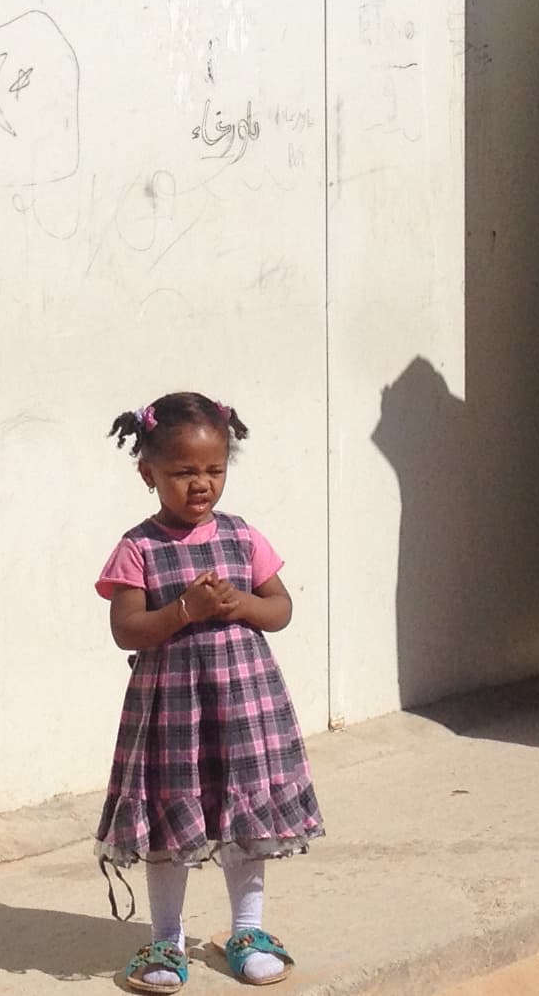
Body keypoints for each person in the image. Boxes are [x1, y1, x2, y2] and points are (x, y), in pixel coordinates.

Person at [95, 392, 323, 991]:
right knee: (172, 826)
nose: (201, 484)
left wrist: (242, 603)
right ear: (148, 473)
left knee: (243, 813)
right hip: (171, 712)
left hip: (243, 706)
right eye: (183, 472)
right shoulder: (138, 548)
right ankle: (165, 942)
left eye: (214, 470)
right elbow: (127, 629)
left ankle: (247, 930)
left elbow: (281, 608)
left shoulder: (244, 538)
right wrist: (185, 610)